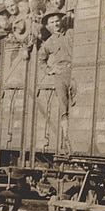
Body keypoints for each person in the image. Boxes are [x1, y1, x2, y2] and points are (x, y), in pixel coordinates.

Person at [36, 10, 73, 151]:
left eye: (57, 21)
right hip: (61, 75)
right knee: (64, 105)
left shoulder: (71, 33)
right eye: (51, 22)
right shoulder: (48, 43)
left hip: (76, 71)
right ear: (48, 26)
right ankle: (67, 138)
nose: (55, 24)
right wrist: (50, 70)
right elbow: (41, 61)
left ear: (61, 21)